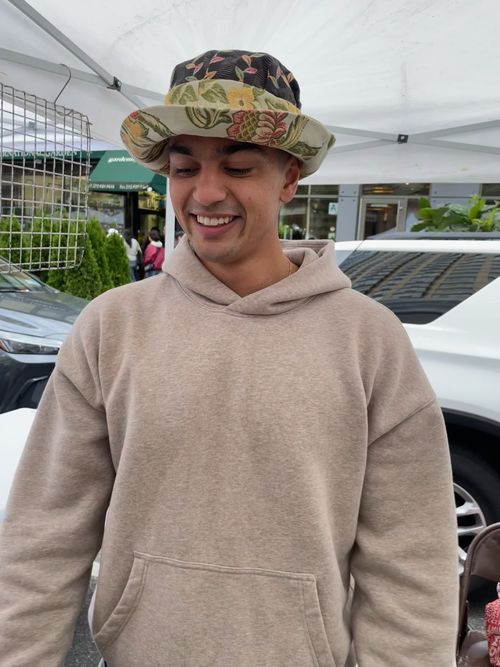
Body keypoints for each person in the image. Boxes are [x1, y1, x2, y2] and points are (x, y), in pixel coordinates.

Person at [0, 50, 458, 667]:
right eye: (184, 167)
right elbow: (45, 533)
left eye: (238, 166)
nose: (206, 192)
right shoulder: (112, 326)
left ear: (289, 178)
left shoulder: (369, 341)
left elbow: (410, 559)